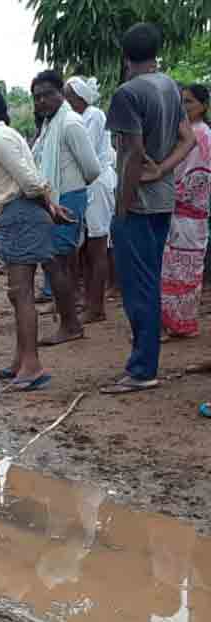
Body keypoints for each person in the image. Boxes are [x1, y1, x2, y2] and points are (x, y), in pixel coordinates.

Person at [103, 23, 186, 396]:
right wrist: (163, 169)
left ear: (125, 56)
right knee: (149, 280)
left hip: (136, 204)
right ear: (156, 52)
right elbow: (188, 140)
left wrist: (123, 204)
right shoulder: (169, 86)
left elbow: (133, 153)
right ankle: (143, 362)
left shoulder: (127, 93)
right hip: (163, 199)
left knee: (139, 287)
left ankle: (142, 369)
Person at [0, 90, 73, 391]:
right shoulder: (6, 138)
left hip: (19, 214)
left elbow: (29, 181)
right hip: (20, 214)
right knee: (19, 294)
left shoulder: (1, 139)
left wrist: (49, 206)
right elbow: (30, 177)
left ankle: (32, 365)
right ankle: (21, 360)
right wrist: (50, 207)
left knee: (21, 291)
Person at [31, 69, 101, 346]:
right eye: (37, 97)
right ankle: (68, 321)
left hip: (68, 198)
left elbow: (93, 168)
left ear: (62, 94)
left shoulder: (70, 123)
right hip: (55, 199)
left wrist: (70, 187)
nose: (42, 101)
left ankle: (70, 325)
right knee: (57, 263)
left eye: (48, 94)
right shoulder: (49, 125)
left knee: (60, 263)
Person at [152, 84, 211, 340]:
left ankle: (171, 325)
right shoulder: (191, 133)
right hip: (184, 213)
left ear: (203, 106)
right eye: (182, 102)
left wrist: (166, 193)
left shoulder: (201, 135)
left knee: (177, 271)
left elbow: (196, 178)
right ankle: (177, 323)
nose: (184, 107)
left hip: (186, 212)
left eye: (189, 102)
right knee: (178, 270)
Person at [63, 76, 118, 324]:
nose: (66, 100)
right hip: (86, 185)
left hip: (96, 183)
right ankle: (89, 302)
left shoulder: (94, 115)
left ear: (79, 97)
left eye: (69, 95)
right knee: (86, 249)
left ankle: (96, 307)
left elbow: (89, 154)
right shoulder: (75, 118)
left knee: (98, 246)